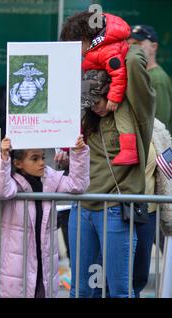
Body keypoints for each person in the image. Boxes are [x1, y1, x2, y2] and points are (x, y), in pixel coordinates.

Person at [71, 42, 155, 298]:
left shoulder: (134, 114)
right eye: (90, 101)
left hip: (115, 209)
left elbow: (134, 59)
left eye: (98, 99)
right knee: (80, 290)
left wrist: (104, 43)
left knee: (120, 290)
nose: (95, 105)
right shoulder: (88, 119)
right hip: (82, 207)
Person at [0, 135, 90, 298]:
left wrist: (79, 152)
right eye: (34, 158)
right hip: (13, 269)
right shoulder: (11, 182)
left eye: (42, 157)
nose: (41, 162)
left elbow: (78, 185)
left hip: (44, 265)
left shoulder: (51, 179)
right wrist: (4, 157)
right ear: (18, 163)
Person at [61, 11, 139, 166]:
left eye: (95, 102)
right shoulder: (97, 51)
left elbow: (118, 73)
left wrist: (114, 98)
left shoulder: (106, 51)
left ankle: (129, 150)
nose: (93, 108)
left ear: (83, 40)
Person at [133, 118, 172, 297]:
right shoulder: (108, 120)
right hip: (114, 211)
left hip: (148, 214)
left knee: (139, 275)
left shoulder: (158, 129)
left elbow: (167, 175)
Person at [128, 25, 172, 134]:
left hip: (154, 146)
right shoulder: (137, 74)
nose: (131, 48)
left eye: (137, 44)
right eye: (128, 44)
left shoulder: (158, 78)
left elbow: (161, 125)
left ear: (154, 46)